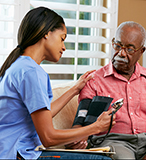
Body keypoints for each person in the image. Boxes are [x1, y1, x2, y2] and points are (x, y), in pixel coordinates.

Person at [0, 7, 116, 159]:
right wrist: (96, 127)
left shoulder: (18, 66)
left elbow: (43, 115)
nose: (64, 47)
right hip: (18, 154)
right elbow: (48, 138)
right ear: (47, 33)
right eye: (62, 38)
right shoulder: (32, 72)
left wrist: (75, 89)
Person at [66, 21, 146, 160]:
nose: (121, 53)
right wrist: (76, 139)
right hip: (114, 142)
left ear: (141, 51)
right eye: (118, 45)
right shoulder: (94, 81)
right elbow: (81, 120)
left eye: (129, 49)